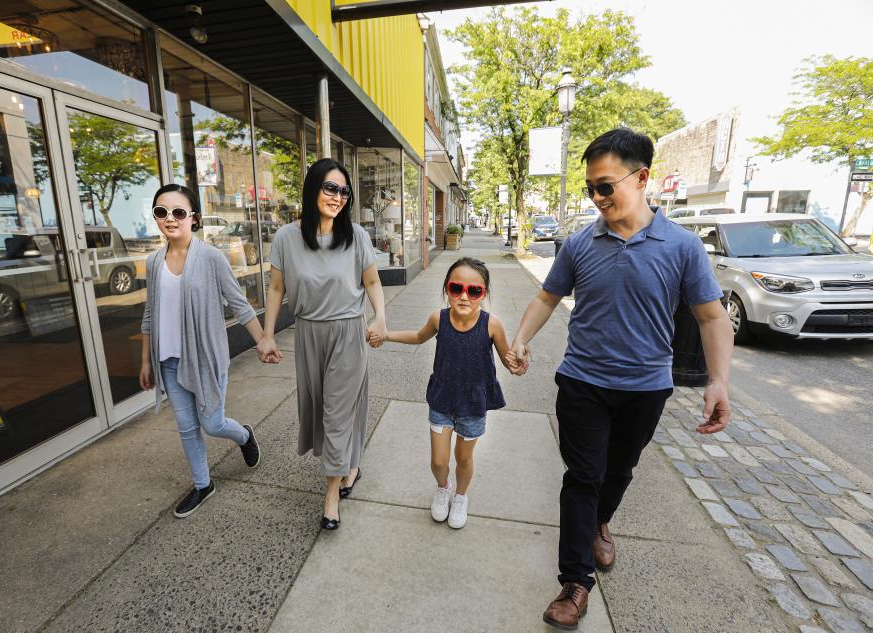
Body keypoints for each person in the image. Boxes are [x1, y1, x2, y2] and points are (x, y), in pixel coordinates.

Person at [507, 128, 734, 630]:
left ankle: (600, 523)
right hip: (582, 382)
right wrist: (521, 339)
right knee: (581, 476)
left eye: (605, 186)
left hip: (646, 387)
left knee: (619, 471)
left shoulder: (681, 247)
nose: (596, 197)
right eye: (591, 188)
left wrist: (719, 381)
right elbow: (547, 297)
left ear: (643, 178)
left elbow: (713, 318)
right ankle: (575, 580)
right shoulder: (579, 244)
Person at [256, 158, 387, 531]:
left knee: (336, 411)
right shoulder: (286, 237)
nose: (338, 197)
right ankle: (351, 464)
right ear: (313, 188)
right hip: (309, 332)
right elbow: (277, 289)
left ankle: (331, 497)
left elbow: (373, 283)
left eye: (344, 191)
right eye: (331, 188)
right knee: (318, 408)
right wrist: (266, 335)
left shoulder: (357, 236)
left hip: (348, 330)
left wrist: (380, 317)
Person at [139, 184, 274, 519]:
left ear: (193, 218)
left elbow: (239, 305)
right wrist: (146, 361)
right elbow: (149, 314)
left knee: (212, 424)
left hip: (204, 359)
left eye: (178, 212)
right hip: (168, 361)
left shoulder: (211, 258)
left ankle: (244, 435)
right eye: (161, 212)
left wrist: (262, 341)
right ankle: (202, 484)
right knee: (187, 427)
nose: (170, 219)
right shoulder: (154, 262)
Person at [370, 257, 508, 529]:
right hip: (442, 400)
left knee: (464, 458)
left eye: (474, 291)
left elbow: (509, 358)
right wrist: (387, 335)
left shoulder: (492, 325)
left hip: (473, 404)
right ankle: (443, 487)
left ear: (484, 294)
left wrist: (519, 360)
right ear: (447, 289)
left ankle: (460, 496)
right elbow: (418, 337)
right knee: (439, 460)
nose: (464, 296)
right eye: (457, 288)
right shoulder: (439, 318)